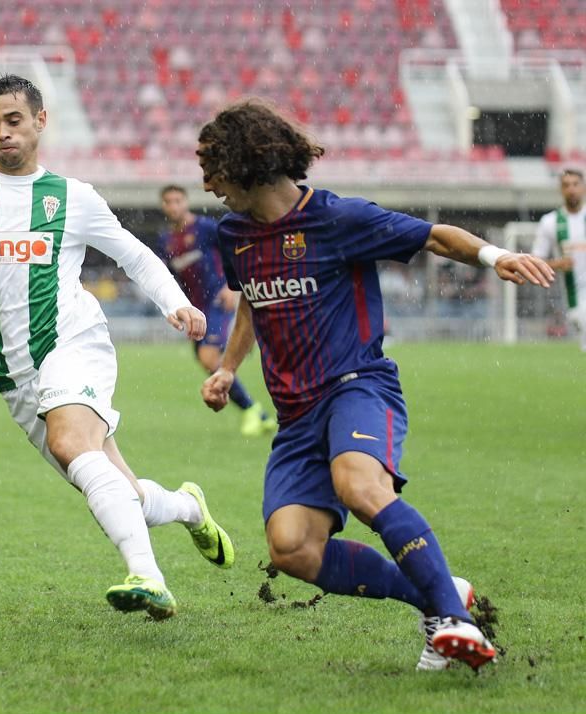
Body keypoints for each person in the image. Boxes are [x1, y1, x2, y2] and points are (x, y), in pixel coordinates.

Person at [195, 98, 554, 670]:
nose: (207, 182)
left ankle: (454, 624)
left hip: (356, 386)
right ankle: (440, 599)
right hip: (295, 416)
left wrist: (494, 254)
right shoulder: (233, 232)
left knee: (359, 485)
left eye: (211, 166)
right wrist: (228, 368)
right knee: (292, 548)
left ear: (245, 164)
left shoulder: (338, 219)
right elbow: (250, 306)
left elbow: (434, 236)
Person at [0, 74, 233, 620]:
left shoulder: (73, 197)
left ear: (41, 121)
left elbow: (135, 255)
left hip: (73, 344)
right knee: (116, 491)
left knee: (73, 445)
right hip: (14, 378)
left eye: (15, 121)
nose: (3, 133)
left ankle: (149, 578)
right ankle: (189, 507)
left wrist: (176, 302)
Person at [158, 184, 276, 436]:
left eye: (178, 200)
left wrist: (232, 287)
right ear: (163, 206)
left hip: (218, 300)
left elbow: (236, 251)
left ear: (186, 201)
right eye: (169, 202)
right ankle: (259, 414)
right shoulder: (166, 240)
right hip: (194, 307)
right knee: (207, 361)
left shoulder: (206, 228)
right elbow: (167, 276)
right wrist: (171, 305)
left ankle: (252, 411)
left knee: (209, 357)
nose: (174, 206)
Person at [531, 168, 586, 352]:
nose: (571, 189)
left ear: (583, 187)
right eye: (566, 185)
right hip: (574, 296)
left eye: (575, 184)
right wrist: (558, 264)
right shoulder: (550, 222)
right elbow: (536, 260)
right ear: (561, 190)